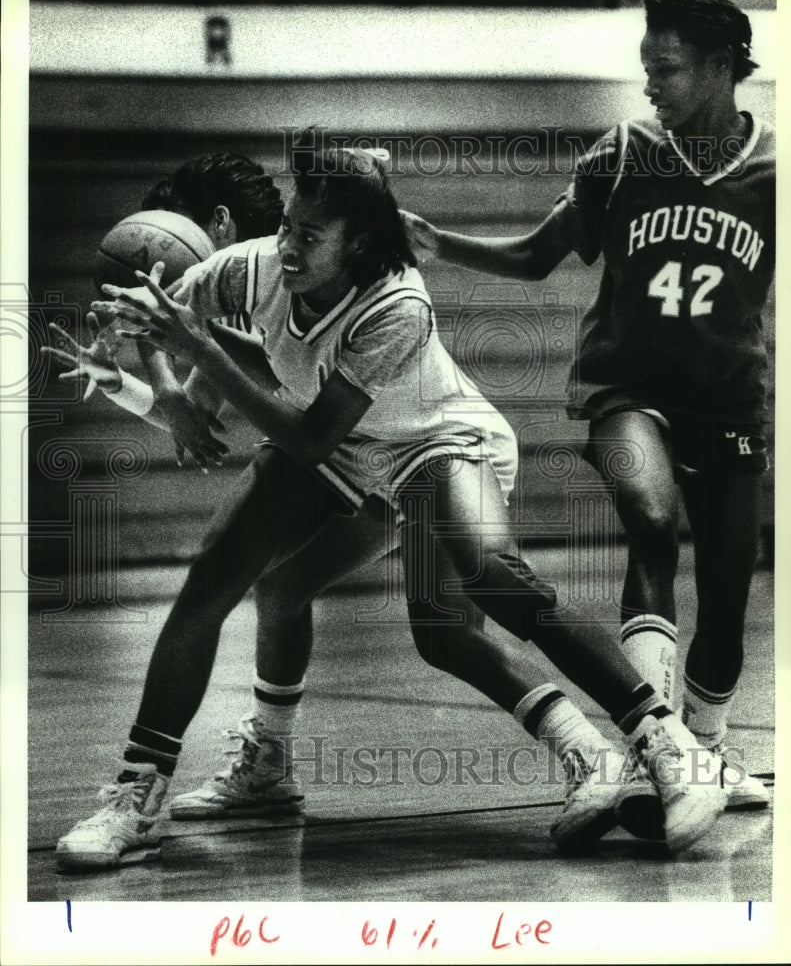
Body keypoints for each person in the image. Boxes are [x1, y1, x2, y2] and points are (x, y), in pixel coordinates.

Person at [53, 134, 730, 872]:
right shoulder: (247, 269)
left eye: (309, 235)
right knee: (218, 576)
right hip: (348, 449)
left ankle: (664, 745)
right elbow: (165, 346)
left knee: (485, 583)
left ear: (358, 244)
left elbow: (309, 438)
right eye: (286, 225)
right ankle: (138, 792)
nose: (285, 245)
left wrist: (201, 353)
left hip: (434, 443)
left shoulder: (398, 305)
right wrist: (143, 379)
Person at [399, 0, 774, 834]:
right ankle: (659, 744)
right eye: (645, 66)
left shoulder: (772, 172)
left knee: (726, 584)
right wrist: (441, 240)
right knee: (647, 517)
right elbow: (539, 256)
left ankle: (706, 745)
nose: (649, 82)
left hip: (729, 398)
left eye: (667, 68)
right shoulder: (620, 155)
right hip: (626, 388)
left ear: (720, 67)